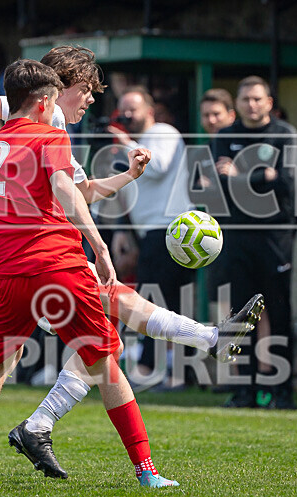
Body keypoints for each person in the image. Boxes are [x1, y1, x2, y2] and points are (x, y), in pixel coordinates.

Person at [0, 46, 262, 478]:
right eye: (87, 91)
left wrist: (127, 177)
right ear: (61, 87)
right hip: (34, 260)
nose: (91, 101)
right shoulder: (35, 112)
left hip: (41, 257)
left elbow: (80, 192)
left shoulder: (57, 129)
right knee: (100, 339)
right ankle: (207, 342)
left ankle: (36, 426)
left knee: (108, 337)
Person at [0, 59, 179, 489]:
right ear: (45, 102)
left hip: (4, 274)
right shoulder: (51, 135)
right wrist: (99, 247)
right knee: (104, 365)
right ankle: (147, 472)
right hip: (55, 266)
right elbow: (67, 191)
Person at [211, 76, 297, 410]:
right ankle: (244, 390)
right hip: (238, 238)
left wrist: (241, 177)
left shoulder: (284, 134)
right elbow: (220, 185)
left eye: (257, 99)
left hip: (276, 238)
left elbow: (286, 183)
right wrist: (263, 176)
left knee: (279, 315)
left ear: (269, 102)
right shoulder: (225, 137)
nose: (251, 104)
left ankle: (282, 391)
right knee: (240, 319)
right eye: (245, 99)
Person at [107, 86, 199, 379]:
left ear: (150, 110)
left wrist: (125, 143)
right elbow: (125, 191)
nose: (128, 114)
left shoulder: (163, 133)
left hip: (171, 229)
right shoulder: (138, 142)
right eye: (124, 109)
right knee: (162, 301)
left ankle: (153, 369)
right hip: (151, 231)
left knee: (154, 300)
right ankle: (171, 372)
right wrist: (124, 230)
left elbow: (157, 167)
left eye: (133, 108)